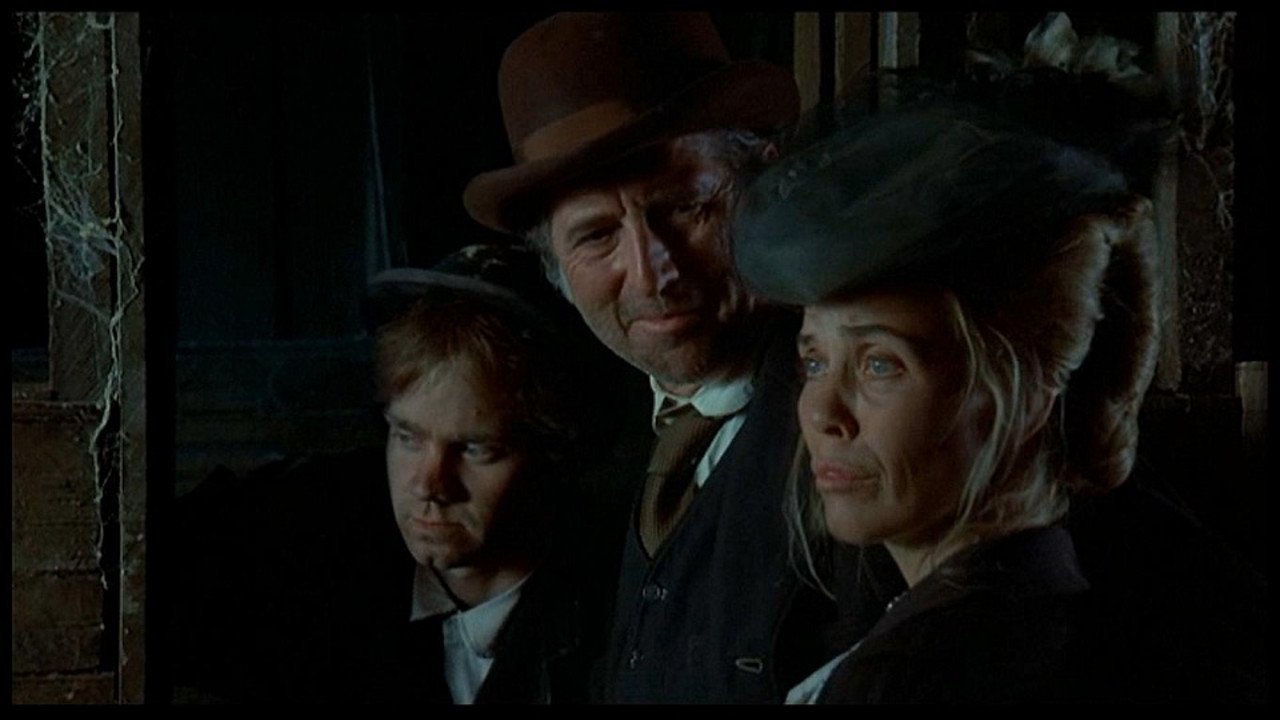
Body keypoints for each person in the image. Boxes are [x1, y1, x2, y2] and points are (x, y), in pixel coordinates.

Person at [462, 12, 844, 703]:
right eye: (596, 236)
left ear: (764, 185)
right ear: (555, 268)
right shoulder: (592, 464)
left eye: (685, 208)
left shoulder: (859, 434)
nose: (651, 274)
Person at [732, 101, 1163, 703]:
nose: (822, 413)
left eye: (880, 365)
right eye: (815, 362)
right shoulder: (1040, 610)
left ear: (1028, 395)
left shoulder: (923, 675)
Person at [170, 243, 616, 703]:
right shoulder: (315, 533)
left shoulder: (613, 604)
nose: (428, 485)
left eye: (476, 449)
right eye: (407, 437)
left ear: (552, 452)